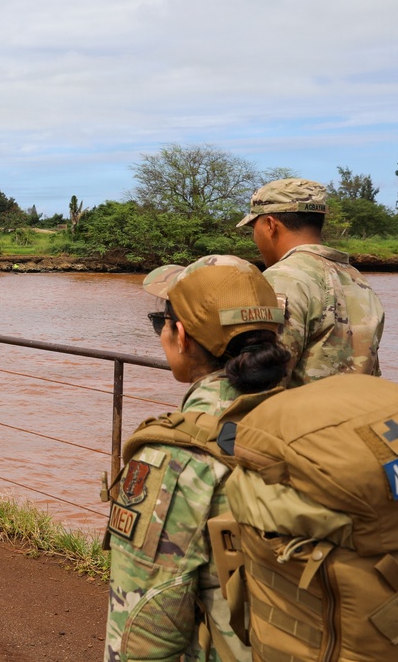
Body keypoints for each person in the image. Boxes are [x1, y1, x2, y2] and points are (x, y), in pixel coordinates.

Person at [104, 255, 291, 662]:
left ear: (181, 335)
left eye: (161, 323)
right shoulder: (316, 422)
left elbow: (144, 623)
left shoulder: (175, 456)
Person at [237, 177, 384, 388]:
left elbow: (261, 379)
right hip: (355, 417)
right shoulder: (357, 280)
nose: (254, 237)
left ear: (270, 225)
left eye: (254, 227)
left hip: (296, 419)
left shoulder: (282, 279)